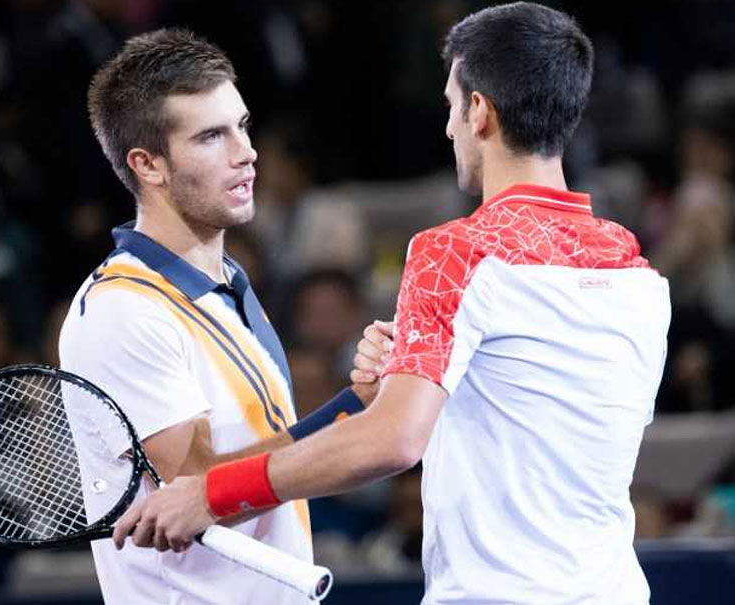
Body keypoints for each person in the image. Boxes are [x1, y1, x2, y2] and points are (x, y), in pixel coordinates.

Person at [115, 4, 672, 604]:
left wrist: (211, 493)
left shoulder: (456, 254)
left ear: (479, 110)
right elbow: (538, 419)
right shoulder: (638, 274)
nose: (449, 128)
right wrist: (422, 370)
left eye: (451, 106)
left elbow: (393, 442)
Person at [58, 28, 374, 605]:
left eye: (242, 126)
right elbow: (203, 492)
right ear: (147, 165)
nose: (246, 152)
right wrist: (352, 413)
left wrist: (358, 404)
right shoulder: (123, 310)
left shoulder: (224, 284)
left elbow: (237, 478)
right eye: (211, 136)